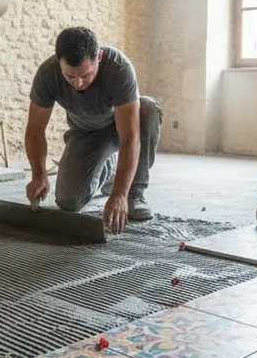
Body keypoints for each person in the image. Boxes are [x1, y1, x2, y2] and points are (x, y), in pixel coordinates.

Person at [24, 26, 162, 234]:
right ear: (58, 62)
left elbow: (130, 137)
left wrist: (120, 195)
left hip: (122, 127)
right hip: (86, 134)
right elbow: (35, 130)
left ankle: (135, 192)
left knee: (148, 109)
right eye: (70, 77)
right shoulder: (48, 74)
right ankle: (108, 171)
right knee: (68, 201)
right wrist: (38, 175)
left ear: (99, 57)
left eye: (85, 75)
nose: (78, 83)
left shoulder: (119, 68)